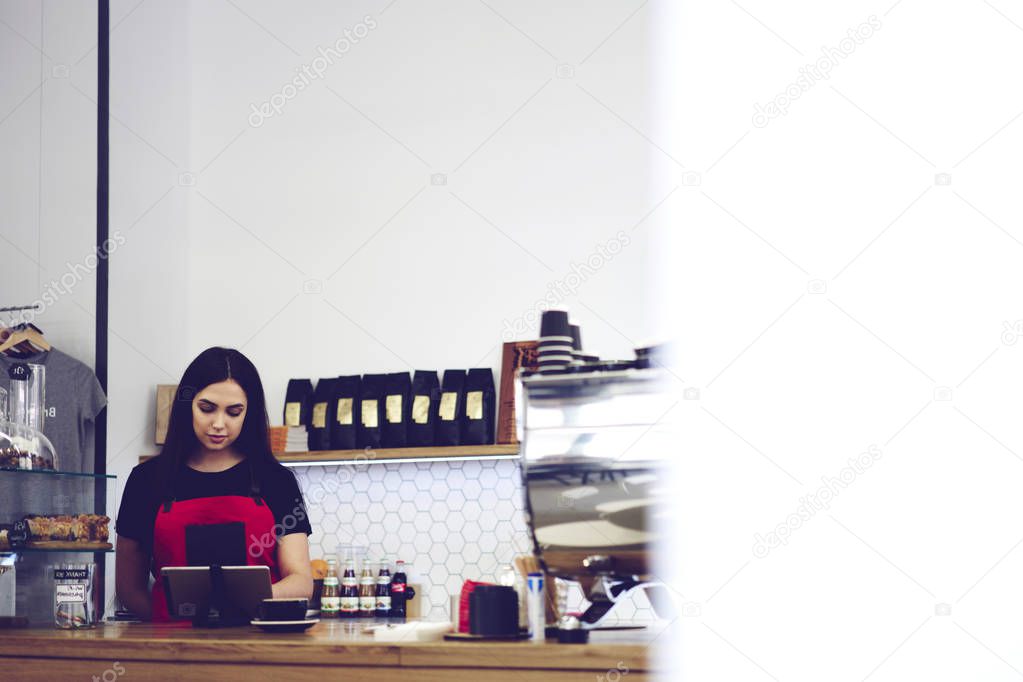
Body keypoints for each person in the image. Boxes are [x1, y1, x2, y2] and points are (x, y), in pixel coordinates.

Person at [115, 347, 313, 621]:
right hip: (171, 650)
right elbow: (129, 588)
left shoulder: (276, 480)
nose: (219, 424)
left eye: (234, 412)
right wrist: (169, 624)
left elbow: (301, 580)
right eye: (206, 409)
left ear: (249, 413)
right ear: (187, 405)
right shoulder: (146, 481)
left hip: (260, 642)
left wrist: (252, 602)